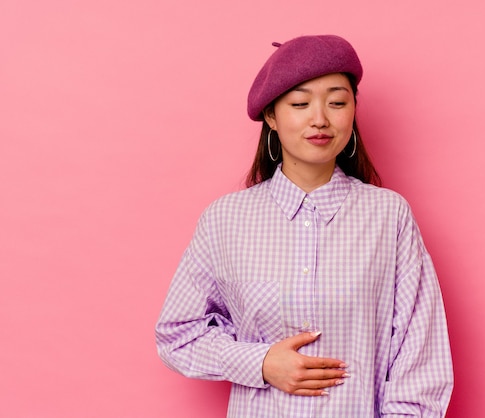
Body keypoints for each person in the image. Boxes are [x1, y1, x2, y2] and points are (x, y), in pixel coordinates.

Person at [156, 34, 453, 417]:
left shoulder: (388, 216)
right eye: (300, 103)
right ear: (271, 117)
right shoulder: (225, 220)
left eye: (337, 102)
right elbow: (177, 334)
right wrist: (260, 363)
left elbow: (421, 356)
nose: (320, 119)